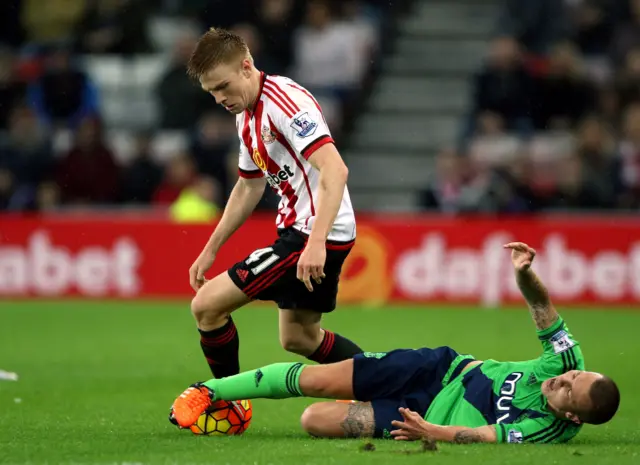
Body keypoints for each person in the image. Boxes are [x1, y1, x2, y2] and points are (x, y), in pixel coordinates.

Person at [170, 242, 620, 444]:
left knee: (314, 421)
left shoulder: (547, 430)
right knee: (318, 382)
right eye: (572, 375)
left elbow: (485, 435)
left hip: (419, 415)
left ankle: (361, 381)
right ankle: (210, 391)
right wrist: (525, 275)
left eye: (568, 390)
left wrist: (432, 432)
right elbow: (543, 311)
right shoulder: (564, 360)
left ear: (569, 414)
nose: (563, 379)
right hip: (437, 370)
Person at [183, 28, 362, 382]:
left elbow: (336, 169)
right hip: (306, 231)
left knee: (206, 307)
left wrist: (315, 243)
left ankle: (226, 402)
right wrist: (211, 247)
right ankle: (390, 383)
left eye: (222, 86)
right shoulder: (245, 113)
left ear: (246, 66)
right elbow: (249, 186)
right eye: (211, 92)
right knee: (299, 338)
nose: (219, 98)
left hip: (313, 233)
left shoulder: (287, 105)